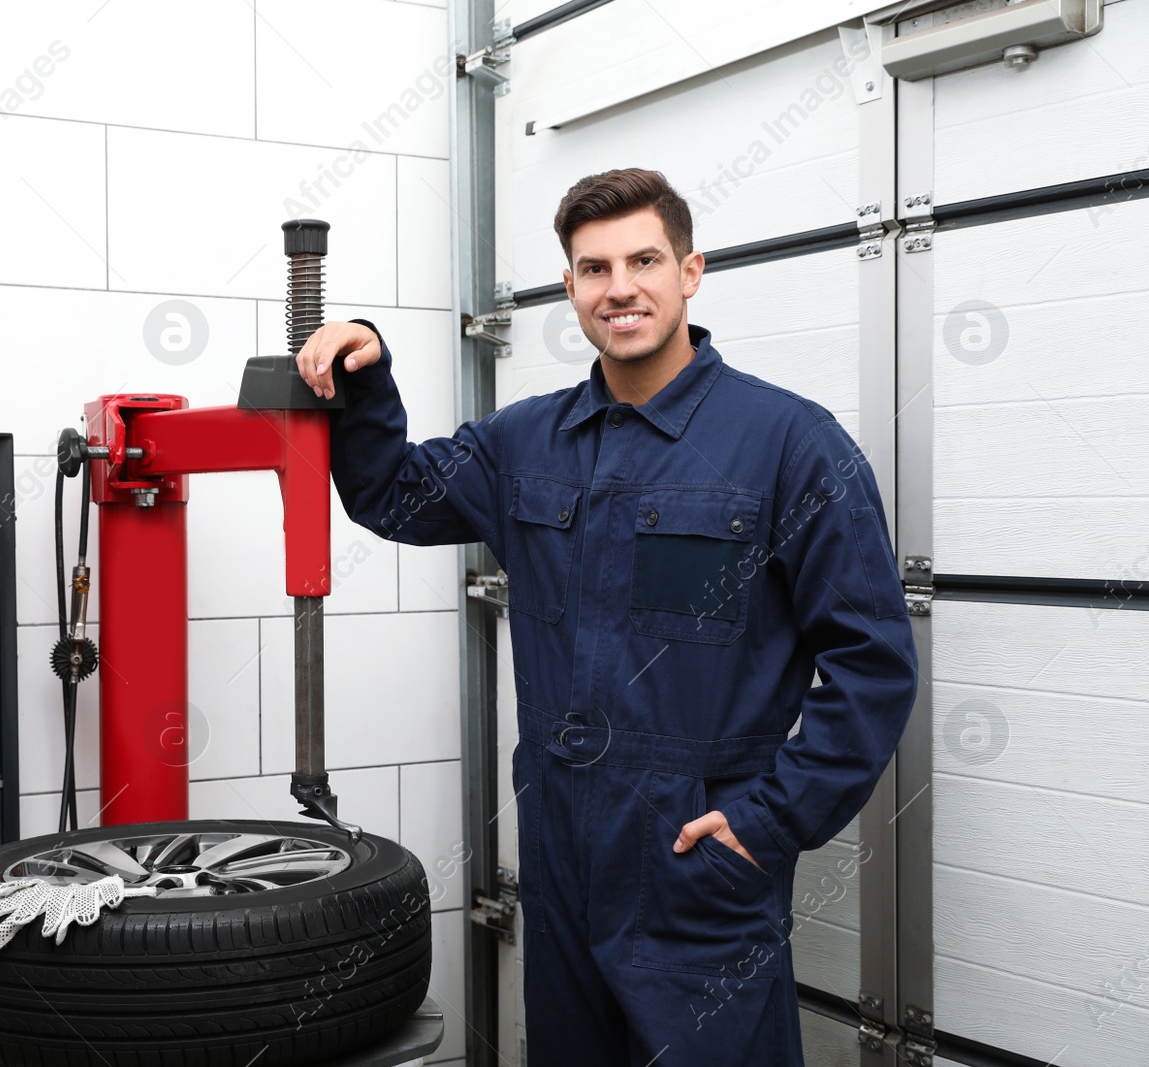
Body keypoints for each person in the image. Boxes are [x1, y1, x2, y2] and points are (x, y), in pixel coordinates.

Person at [296, 167, 918, 1065]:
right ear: (570, 288)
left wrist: (771, 820)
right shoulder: (523, 440)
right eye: (594, 269)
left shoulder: (790, 443)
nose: (619, 286)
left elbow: (873, 662)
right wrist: (365, 367)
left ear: (691, 271)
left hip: (699, 862)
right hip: (561, 852)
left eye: (644, 260)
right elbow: (393, 498)